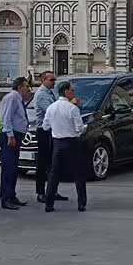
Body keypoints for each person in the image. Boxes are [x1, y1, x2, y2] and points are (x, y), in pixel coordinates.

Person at [43, 81, 87, 213]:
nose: (73, 92)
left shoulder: (51, 107)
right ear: (66, 92)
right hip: (71, 142)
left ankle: (49, 204)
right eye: (72, 90)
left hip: (57, 143)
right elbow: (79, 127)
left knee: (53, 174)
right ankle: (81, 203)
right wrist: (79, 131)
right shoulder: (72, 108)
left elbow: (45, 126)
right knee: (78, 174)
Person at [33, 70, 67, 204]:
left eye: (54, 80)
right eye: (51, 80)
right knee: (43, 163)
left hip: (51, 131)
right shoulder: (42, 95)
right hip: (44, 131)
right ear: (44, 80)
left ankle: (52, 191)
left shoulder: (49, 93)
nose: (54, 82)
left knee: (53, 163)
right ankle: (41, 192)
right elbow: (52, 111)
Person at [0, 76, 31, 210]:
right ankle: (5, 198)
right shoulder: (11, 98)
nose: (28, 89)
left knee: (14, 167)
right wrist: (10, 136)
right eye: (26, 86)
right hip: (10, 137)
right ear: (19, 87)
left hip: (16, 136)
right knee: (8, 168)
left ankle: (12, 195)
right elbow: (6, 118)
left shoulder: (18, 99)